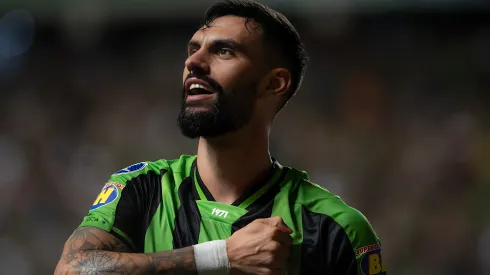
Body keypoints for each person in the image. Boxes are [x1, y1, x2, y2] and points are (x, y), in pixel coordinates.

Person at [55, 0, 386, 274]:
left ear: (274, 83)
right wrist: (220, 256)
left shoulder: (334, 228)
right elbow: (71, 269)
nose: (193, 62)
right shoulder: (142, 188)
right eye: (194, 49)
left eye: (224, 51)